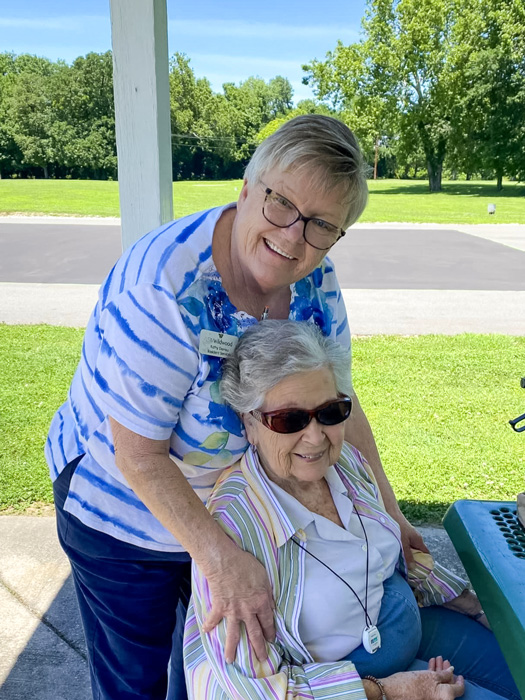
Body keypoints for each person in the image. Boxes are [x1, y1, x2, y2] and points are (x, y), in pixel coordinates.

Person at [47, 114, 423, 700]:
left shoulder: (317, 281)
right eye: (281, 204)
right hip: (123, 509)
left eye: (323, 224)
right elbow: (138, 456)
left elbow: (340, 404)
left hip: (232, 510)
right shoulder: (165, 286)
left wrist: (389, 511)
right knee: (135, 681)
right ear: (246, 187)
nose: (295, 236)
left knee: (209, 673)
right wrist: (219, 559)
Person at [184, 320, 519, 700]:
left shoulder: (346, 465)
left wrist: (476, 606)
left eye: (330, 412)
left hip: (405, 627)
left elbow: (396, 558)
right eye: (289, 419)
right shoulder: (232, 528)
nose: (315, 437)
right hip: (338, 686)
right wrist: (386, 691)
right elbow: (253, 692)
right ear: (249, 422)